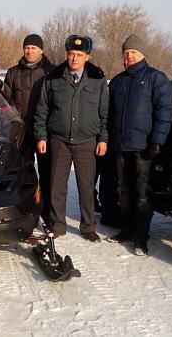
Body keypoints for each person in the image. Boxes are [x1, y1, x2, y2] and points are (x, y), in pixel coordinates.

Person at [34, 35, 108, 242]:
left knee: (86, 187)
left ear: (87, 57)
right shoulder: (53, 78)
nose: (74, 58)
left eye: (79, 54)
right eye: (71, 54)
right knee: (57, 185)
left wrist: (103, 139)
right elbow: (42, 110)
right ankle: (57, 225)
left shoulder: (98, 79)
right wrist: (41, 136)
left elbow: (104, 113)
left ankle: (88, 227)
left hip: (87, 141)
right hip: (59, 140)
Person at [106, 35, 172, 256]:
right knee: (123, 191)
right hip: (120, 146)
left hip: (144, 147)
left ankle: (141, 238)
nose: (129, 56)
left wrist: (157, 141)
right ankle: (126, 230)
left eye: (133, 52)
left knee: (142, 193)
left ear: (142, 54)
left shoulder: (156, 79)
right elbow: (108, 114)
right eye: (126, 53)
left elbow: (165, 112)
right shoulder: (117, 82)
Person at [3, 34, 55, 223]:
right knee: (21, 172)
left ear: (41, 50)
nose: (30, 51)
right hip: (20, 131)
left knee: (47, 172)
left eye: (34, 48)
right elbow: (6, 101)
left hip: (44, 132)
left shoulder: (51, 72)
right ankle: (21, 209)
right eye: (27, 48)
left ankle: (48, 212)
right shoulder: (13, 72)